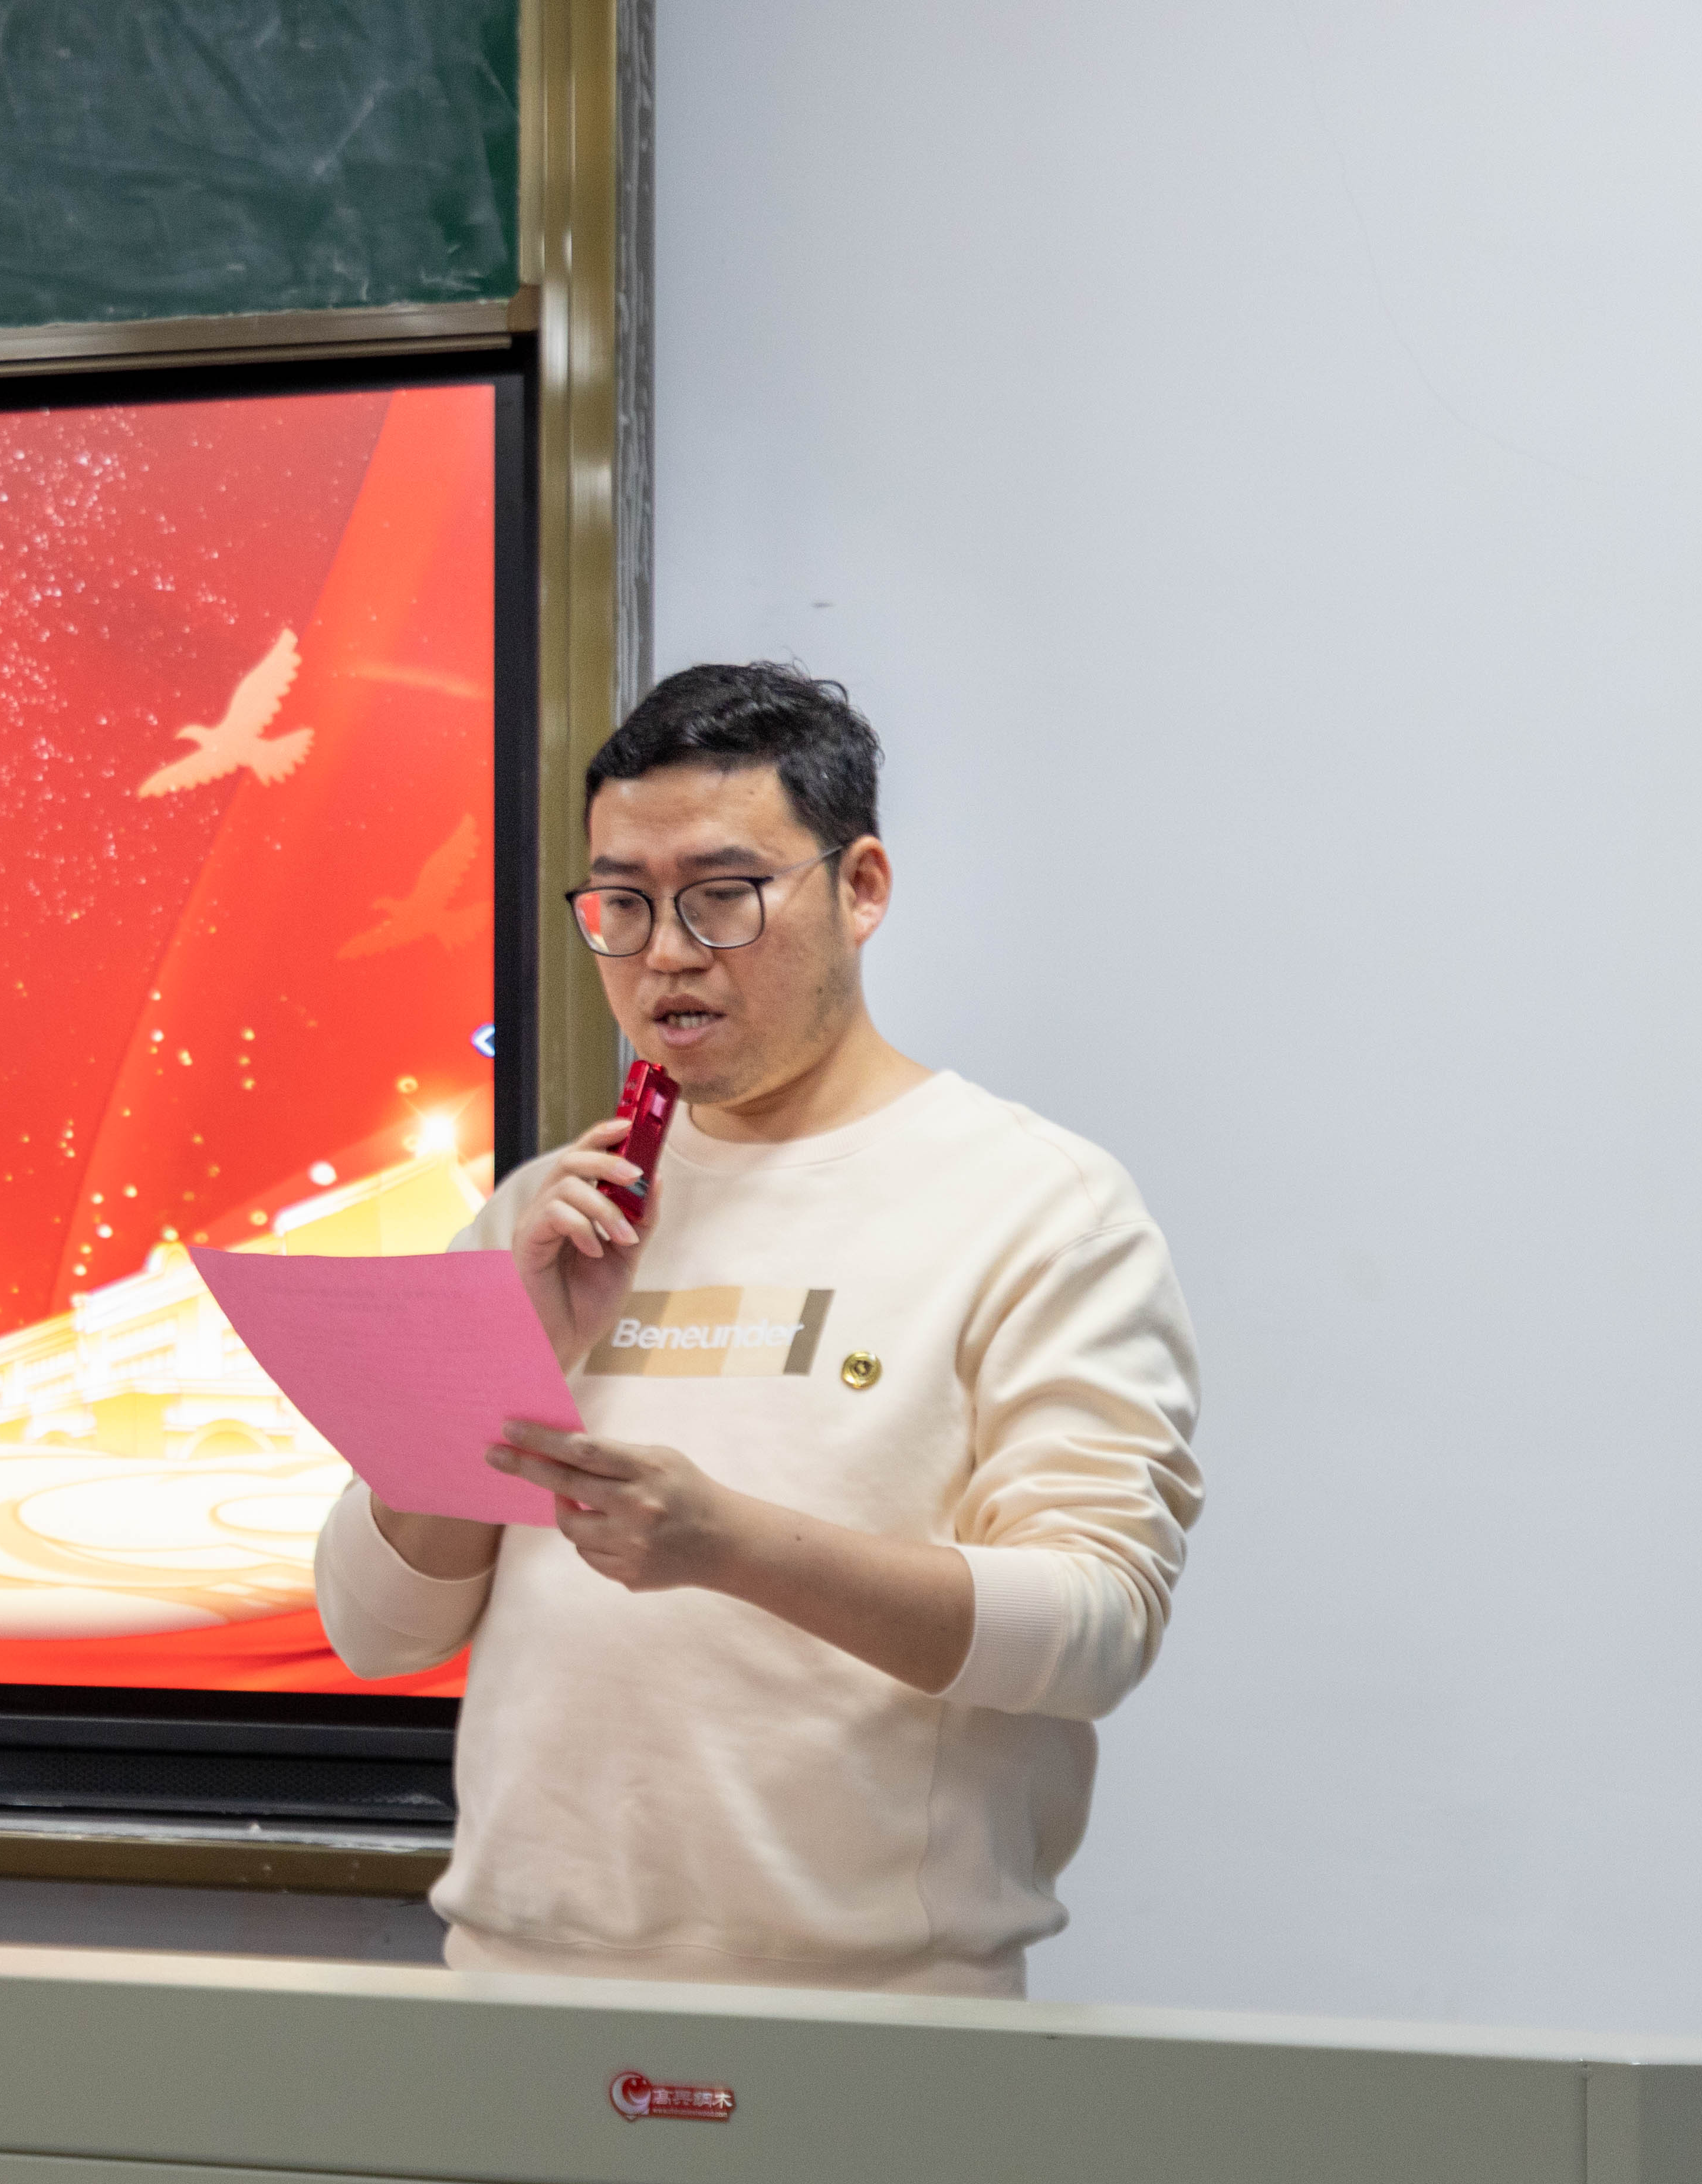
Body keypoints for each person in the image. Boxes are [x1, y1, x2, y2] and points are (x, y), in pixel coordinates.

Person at [314, 662, 1202, 1998]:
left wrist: (726, 1546)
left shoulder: (1037, 1205)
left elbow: (1096, 1627)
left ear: (862, 889)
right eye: (623, 903)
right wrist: (511, 1362)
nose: (666, 954)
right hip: (511, 1988)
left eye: (722, 895)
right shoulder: (548, 1211)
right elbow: (374, 1626)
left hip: (874, 2013)